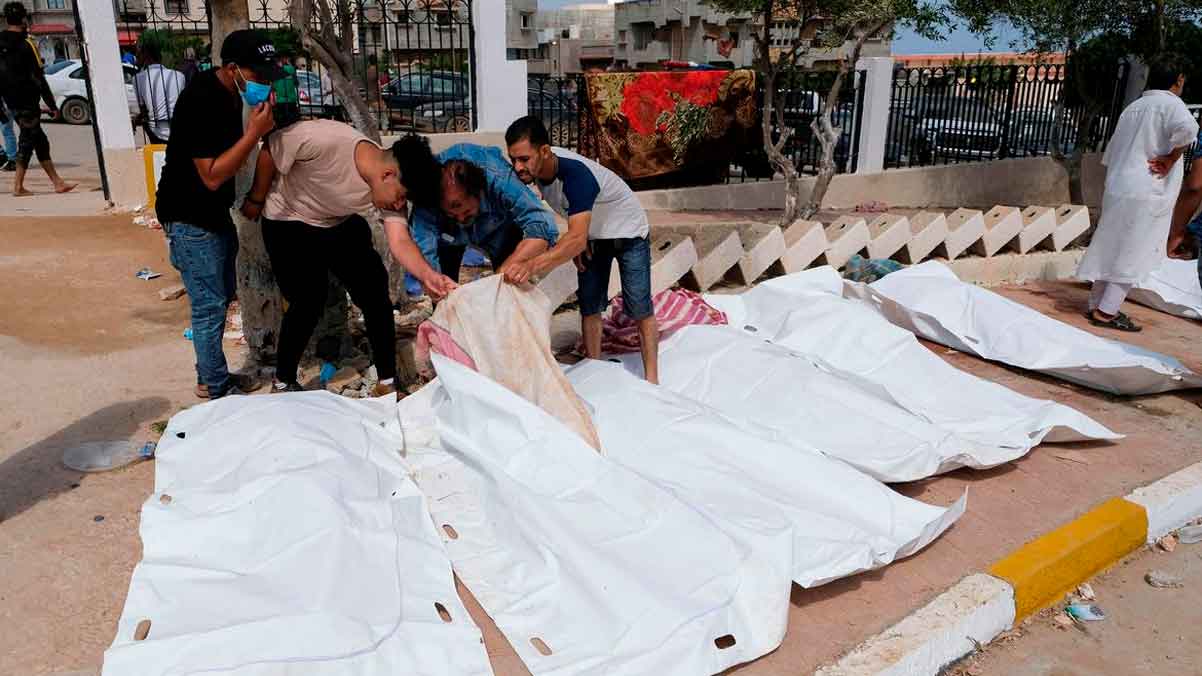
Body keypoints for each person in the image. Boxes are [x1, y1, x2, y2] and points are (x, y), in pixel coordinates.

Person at [240, 120, 441, 397]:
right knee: (308, 299)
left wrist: (428, 275)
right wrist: (256, 197)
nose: (398, 205)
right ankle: (283, 380)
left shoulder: (388, 187)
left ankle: (387, 381)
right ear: (387, 175)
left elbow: (400, 241)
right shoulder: (325, 140)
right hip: (287, 219)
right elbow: (270, 151)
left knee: (375, 292)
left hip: (335, 220)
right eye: (400, 197)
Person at [154, 29, 281, 399]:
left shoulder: (228, 93)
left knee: (221, 296)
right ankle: (214, 385)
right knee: (209, 307)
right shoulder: (202, 99)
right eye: (257, 75)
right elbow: (211, 176)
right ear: (232, 68)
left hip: (211, 213)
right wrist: (254, 133)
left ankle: (209, 374)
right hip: (190, 215)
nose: (263, 82)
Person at [505, 115, 659, 383]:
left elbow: (574, 235)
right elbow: (572, 218)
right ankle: (594, 372)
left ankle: (653, 379)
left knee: (639, 306)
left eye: (524, 159)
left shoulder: (576, 175)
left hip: (629, 232)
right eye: (513, 159)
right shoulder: (538, 171)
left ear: (544, 151)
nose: (518, 167)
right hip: (594, 235)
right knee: (590, 305)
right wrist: (578, 242)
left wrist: (532, 265)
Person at [1075, 55, 1198, 332]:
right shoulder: (1171, 104)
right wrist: (1171, 157)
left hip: (1119, 186)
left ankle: (1096, 304)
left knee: (1111, 246)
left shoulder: (1134, 107)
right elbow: (1190, 131)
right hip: (1147, 188)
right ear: (1178, 80)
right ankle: (1107, 311)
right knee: (1133, 250)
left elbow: (1112, 152)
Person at [403, 143, 560, 299]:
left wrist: (506, 270)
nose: (460, 218)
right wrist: (433, 281)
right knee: (444, 297)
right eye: (450, 213)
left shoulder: (497, 177)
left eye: (463, 209)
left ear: (478, 191)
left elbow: (542, 225)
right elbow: (422, 248)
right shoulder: (426, 194)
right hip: (448, 238)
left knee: (508, 289)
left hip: (500, 229)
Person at [0, 1, 73, 196]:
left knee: (40, 141)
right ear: (24, 19)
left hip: (10, 101)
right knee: (26, 141)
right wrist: (51, 103)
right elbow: (38, 78)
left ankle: (58, 182)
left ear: (6, 20)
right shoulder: (27, 44)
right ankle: (18, 187)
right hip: (27, 101)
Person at [133, 40, 185, 144]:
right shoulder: (179, 75)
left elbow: (143, 111)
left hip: (157, 133)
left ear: (145, 55)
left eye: (138, 54)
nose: (136, 57)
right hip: (180, 130)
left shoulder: (138, 78)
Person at [0, 97, 16, 170]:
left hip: (5, 105)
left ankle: (12, 160)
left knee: (7, 130)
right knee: (7, 131)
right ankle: (3, 155)